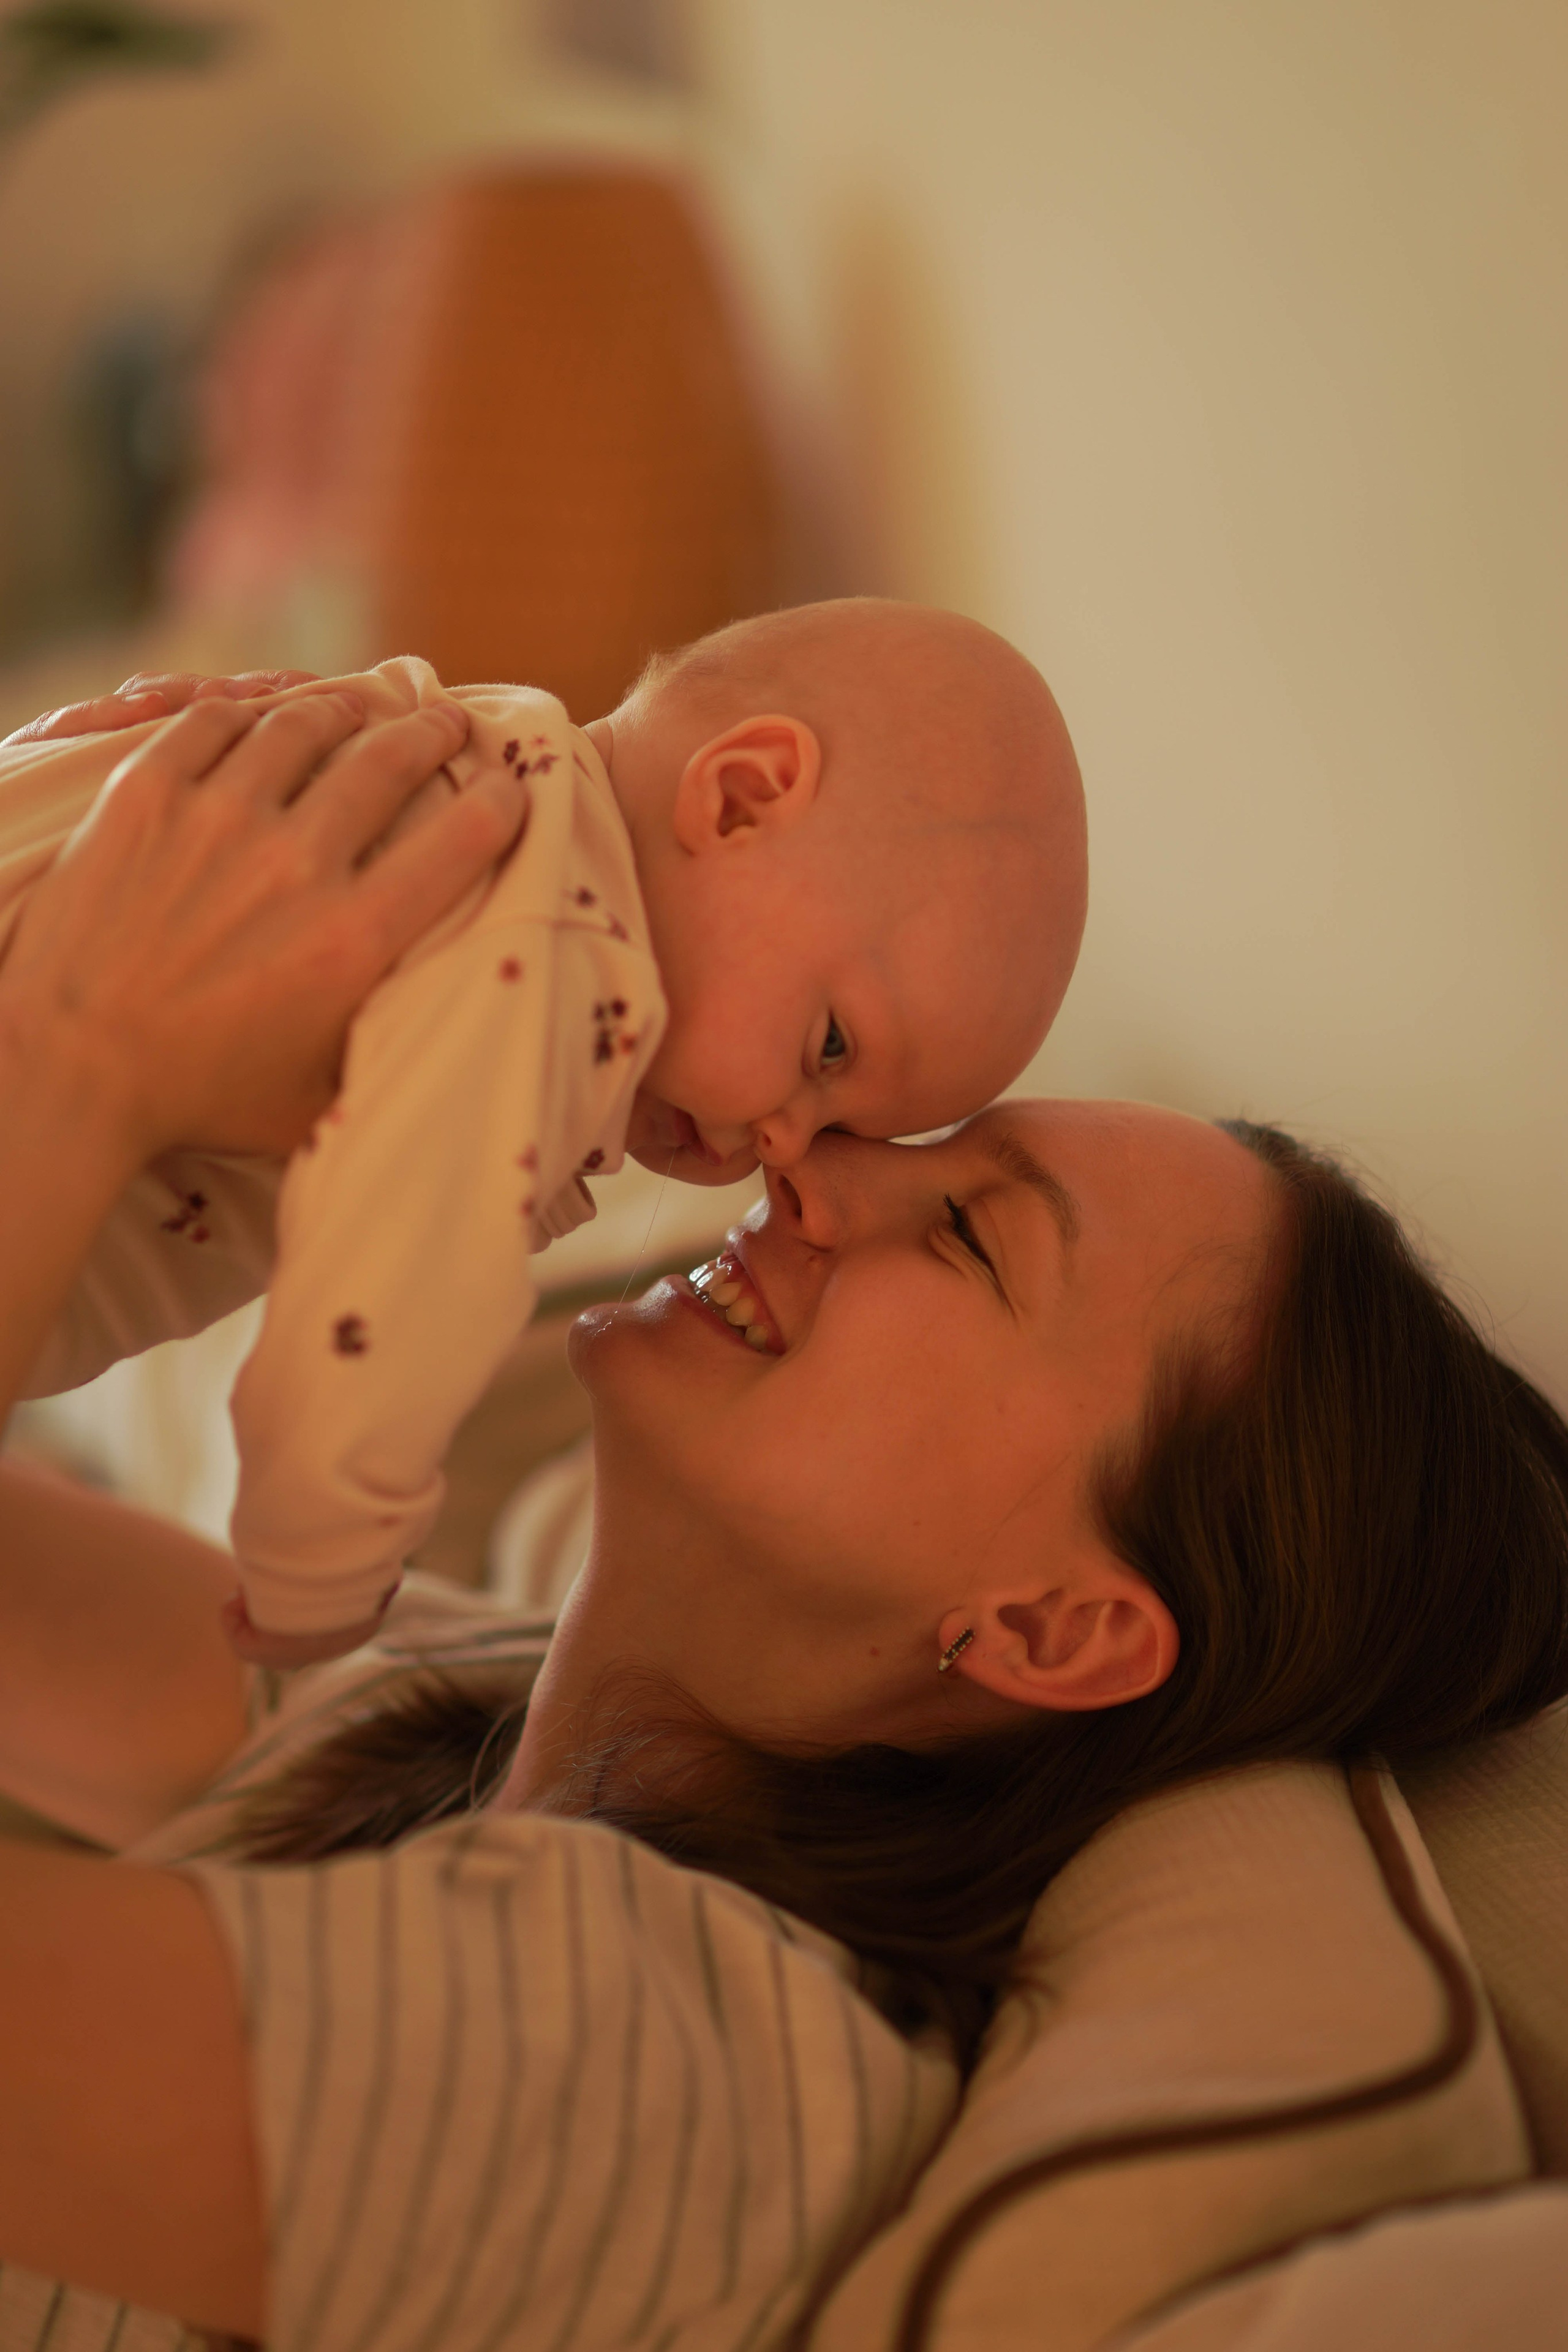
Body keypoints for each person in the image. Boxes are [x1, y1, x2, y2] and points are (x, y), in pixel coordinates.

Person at [2, 681, 1566, 2352]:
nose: (800, 1167)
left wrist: (80, 1062)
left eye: (970, 1237)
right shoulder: (446, 1714)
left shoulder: (674, 2060)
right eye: (888, 1125)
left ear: (1053, 1623)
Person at [0, 600, 1087, 1667]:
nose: (788, 1145)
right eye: (831, 1050)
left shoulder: (485, 749)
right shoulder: (558, 963)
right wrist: (321, 1565)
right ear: (743, 795)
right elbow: (385, 1286)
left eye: (845, 1126)